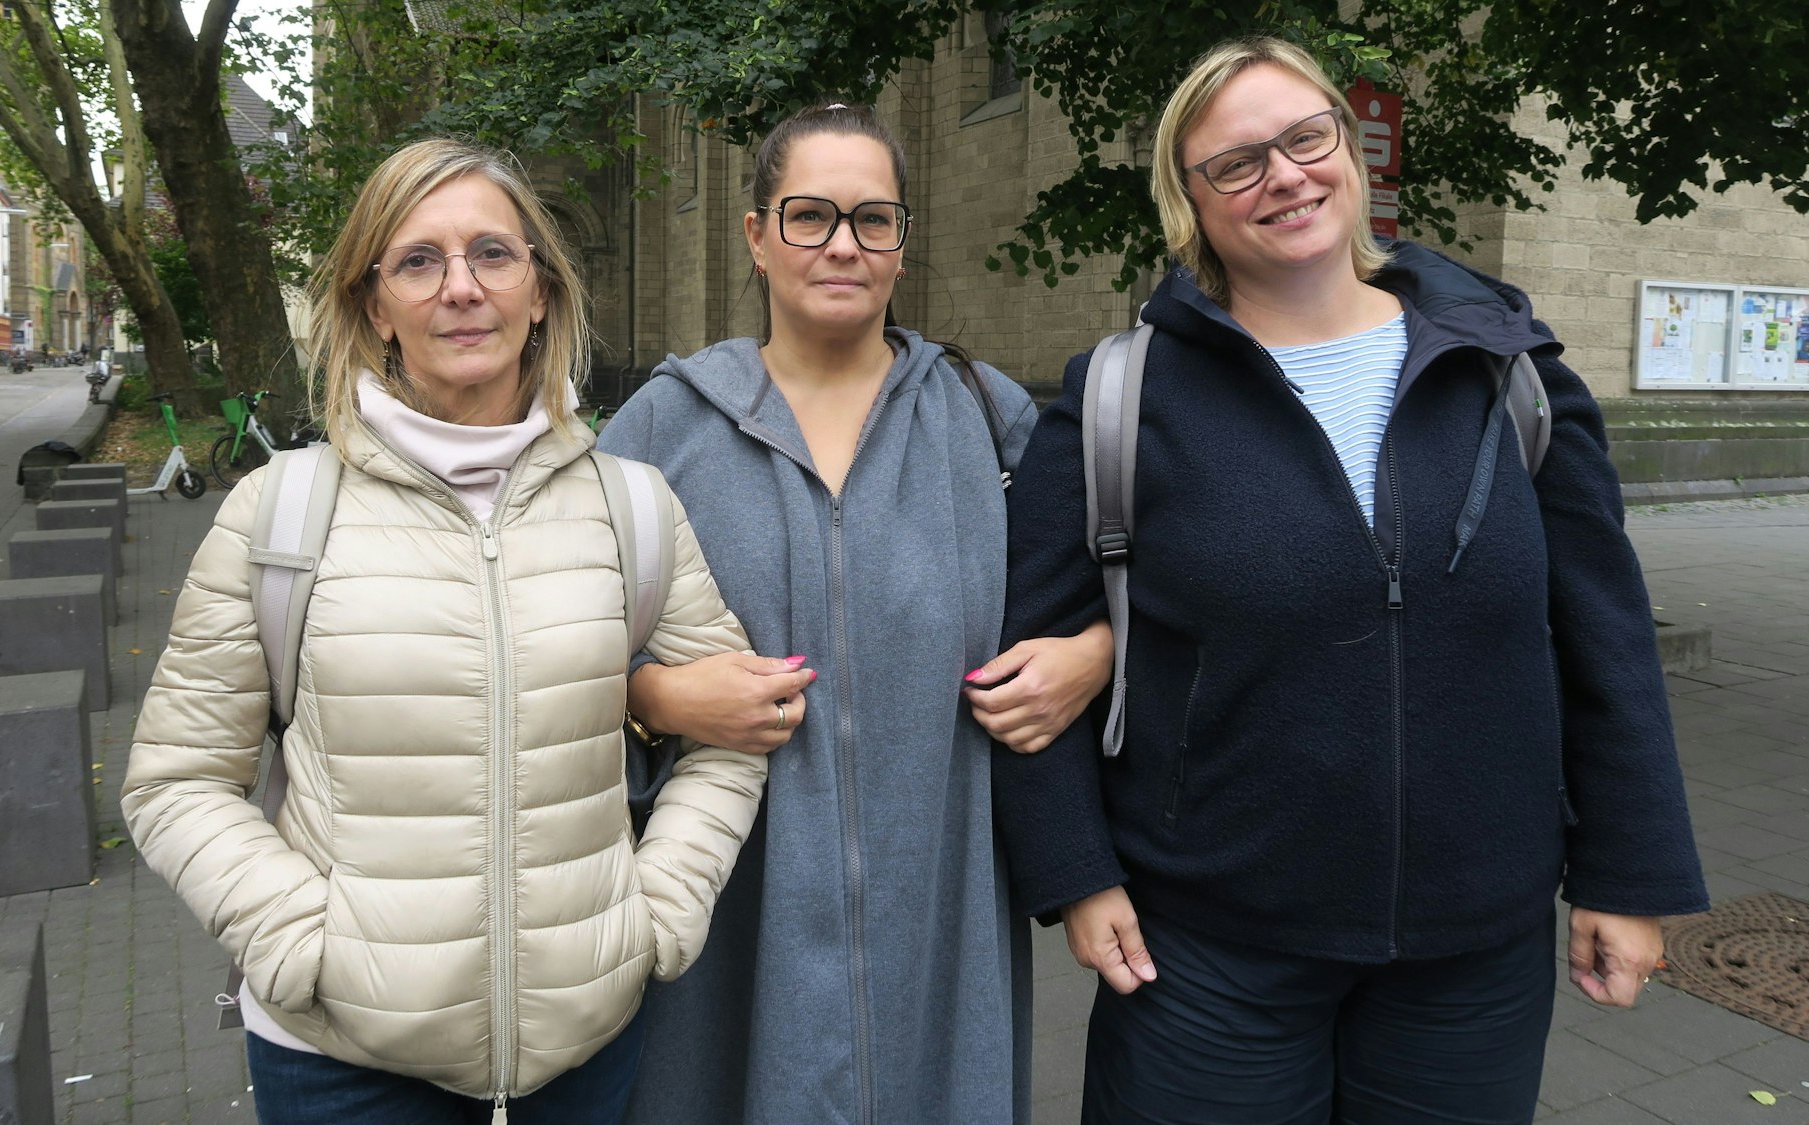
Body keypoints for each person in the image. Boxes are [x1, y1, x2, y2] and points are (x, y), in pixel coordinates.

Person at [993, 36, 1709, 1124]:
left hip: (1471, 954)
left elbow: (1601, 636)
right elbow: (1028, 670)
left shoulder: (1510, 372)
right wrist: (1075, 875)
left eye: (1302, 137)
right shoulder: (1115, 400)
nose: (1280, 175)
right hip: (1205, 949)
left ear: (1349, 148)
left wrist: (1629, 873)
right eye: (1233, 163)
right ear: (1186, 201)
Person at [121, 138, 767, 1124]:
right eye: (418, 260)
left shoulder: (633, 508)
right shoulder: (279, 515)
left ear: (540, 291)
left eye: (492, 255)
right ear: (373, 305)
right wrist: (303, 944)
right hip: (343, 1067)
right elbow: (175, 778)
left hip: (582, 1060)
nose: (460, 288)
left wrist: (656, 919)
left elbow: (735, 733)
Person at [596, 102, 1113, 1125]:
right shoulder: (659, 429)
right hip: (731, 912)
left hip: (940, 910)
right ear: (754, 235)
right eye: (809, 216)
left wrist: (1091, 656)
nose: (842, 244)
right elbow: (534, 639)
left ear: (902, 241)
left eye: (873, 219)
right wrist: (653, 695)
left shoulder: (989, 418)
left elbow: (1145, 590)